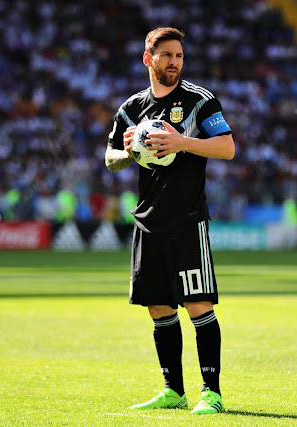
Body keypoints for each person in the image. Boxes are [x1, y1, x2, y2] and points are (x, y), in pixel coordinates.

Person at [104, 27, 235, 415]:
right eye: (166, 56)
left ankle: (211, 392)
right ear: (149, 59)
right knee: (159, 308)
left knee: (198, 304)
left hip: (187, 219)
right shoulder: (131, 108)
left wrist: (182, 142)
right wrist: (128, 152)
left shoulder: (199, 101)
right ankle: (173, 390)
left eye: (179, 56)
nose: (174, 62)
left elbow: (227, 147)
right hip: (148, 220)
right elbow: (109, 158)